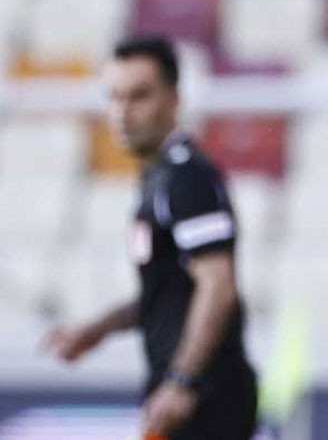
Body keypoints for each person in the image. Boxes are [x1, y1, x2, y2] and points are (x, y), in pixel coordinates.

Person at [44, 37, 257, 440]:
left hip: (207, 400)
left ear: (174, 101)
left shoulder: (188, 179)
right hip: (184, 397)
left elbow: (218, 286)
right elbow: (166, 294)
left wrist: (182, 381)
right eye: (115, 97)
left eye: (140, 96)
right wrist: (97, 330)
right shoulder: (158, 180)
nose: (123, 112)